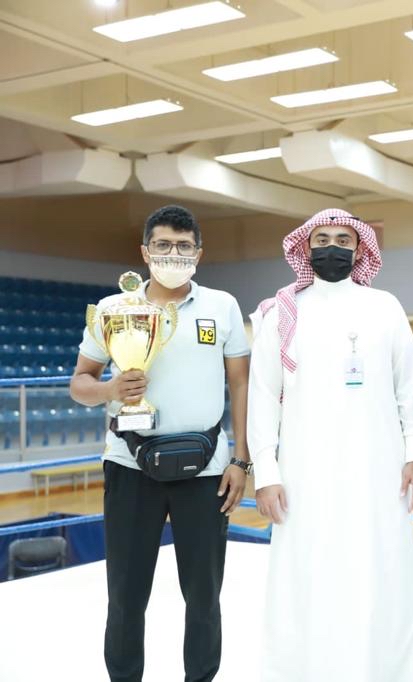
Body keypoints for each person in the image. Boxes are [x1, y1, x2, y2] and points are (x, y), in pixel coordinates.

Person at [247, 208, 413, 682]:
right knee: (306, 574)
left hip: (379, 470)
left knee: (379, 573)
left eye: (344, 240)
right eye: (323, 239)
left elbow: (410, 389)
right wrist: (266, 474)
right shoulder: (281, 313)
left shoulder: (384, 307)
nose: (333, 247)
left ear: (360, 249)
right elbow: (263, 399)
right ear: (305, 248)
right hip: (303, 473)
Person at [70, 204, 251, 682]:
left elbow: (241, 383)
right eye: (163, 245)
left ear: (199, 253)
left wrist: (241, 459)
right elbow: (80, 383)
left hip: (207, 468)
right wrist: (110, 389)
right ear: (145, 252)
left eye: (184, 246)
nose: (174, 253)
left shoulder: (222, 306)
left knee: (204, 595)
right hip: (130, 463)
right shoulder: (114, 309)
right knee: (126, 595)